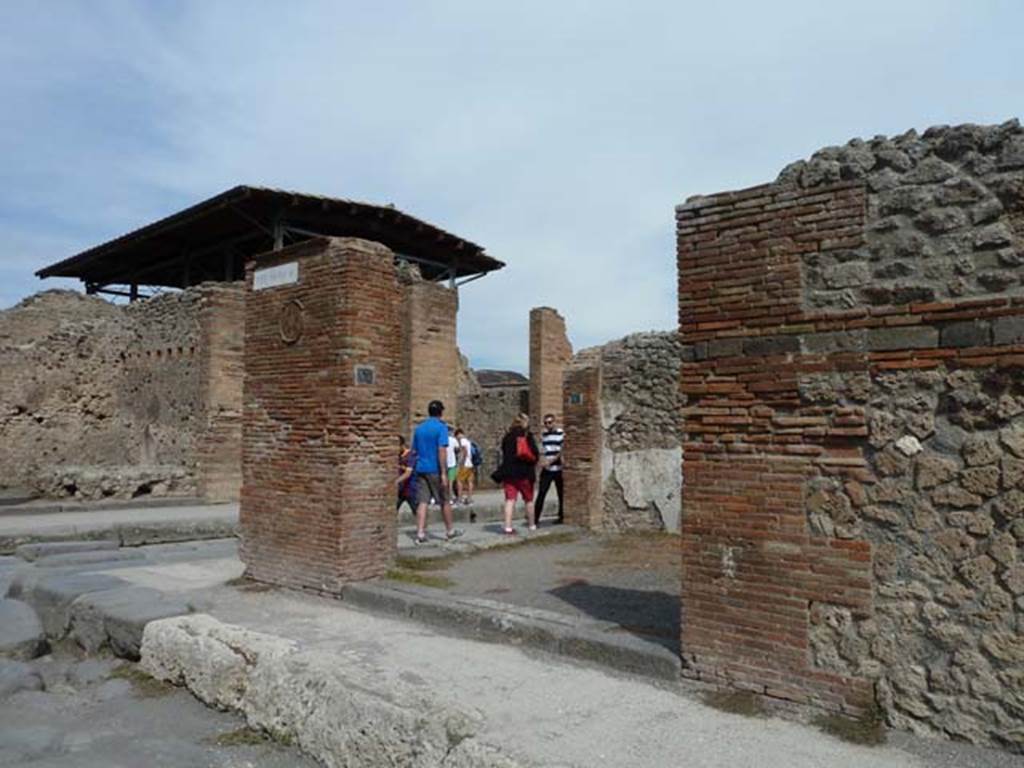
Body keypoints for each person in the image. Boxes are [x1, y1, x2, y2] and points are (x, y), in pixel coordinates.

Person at [411, 400, 462, 544]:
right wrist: (444, 473)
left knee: (423, 501)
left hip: (421, 468)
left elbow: (414, 451)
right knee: (445, 501)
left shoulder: (419, 429)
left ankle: (420, 533)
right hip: (435, 469)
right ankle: (450, 531)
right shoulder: (441, 428)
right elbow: (441, 450)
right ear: (441, 412)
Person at [494, 413, 540, 535]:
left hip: (509, 473)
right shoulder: (527, 436)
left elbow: (504, 453)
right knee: (529, 500)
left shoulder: (507, 437)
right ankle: (532, 525)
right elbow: (535, 454)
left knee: (510, 500)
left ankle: (508, 527)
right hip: (525, 473)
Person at [535, 413, 565, 525]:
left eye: (550, 422)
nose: (548, 425)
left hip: (558, 468)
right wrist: (543, 461)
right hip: (547, 469)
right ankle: (535, 518)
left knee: (561, 494)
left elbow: (562, 450)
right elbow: (542, 450)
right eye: (546, 423)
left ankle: (561, 517)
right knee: (541, 493)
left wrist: (551, 461)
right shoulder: (544, 435)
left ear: (554, 422)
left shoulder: (561, 434)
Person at [396, 435, 417, 515]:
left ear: (402, 445)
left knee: (417, 511)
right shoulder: (397, 456)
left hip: (411, 489)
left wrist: (396, 481)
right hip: (400, 490)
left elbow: (408, 473)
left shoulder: (411, 455)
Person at [454, 427, 474, 506]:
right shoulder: (468, 441)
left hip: (464, 464)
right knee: (469, 481)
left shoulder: (462, 441)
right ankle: (469, 498)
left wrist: (461, 463)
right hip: (470, 464)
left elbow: (464, 452)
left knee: (459, 481)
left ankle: (459, 498)